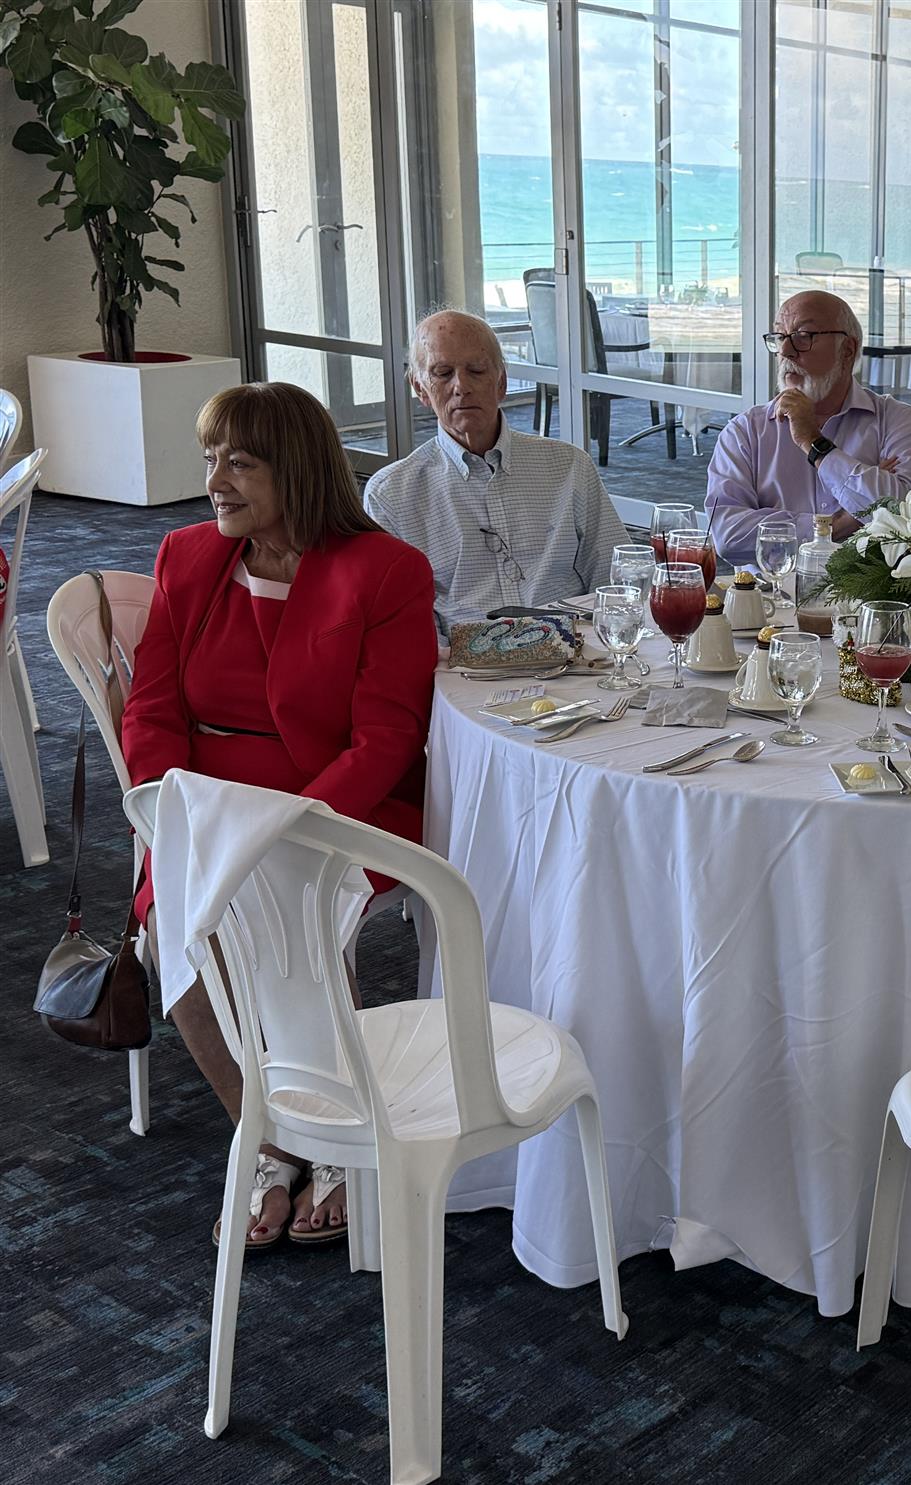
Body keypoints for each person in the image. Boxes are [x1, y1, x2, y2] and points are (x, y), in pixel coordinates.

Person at [123, 382, 438, 1249]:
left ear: (294, 470)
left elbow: (386, 737)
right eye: (210, 459)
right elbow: (151, 709)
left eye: (240, 463)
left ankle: (336, 1125)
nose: (214, 481)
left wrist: (292, 829)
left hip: (336, 804)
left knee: (296, 907)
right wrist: (165, 807)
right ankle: (266, 1133)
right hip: (201, 803)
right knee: (178, 931)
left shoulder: (385, 571)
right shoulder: (188, 556)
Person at [365, 310, 624, 630]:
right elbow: (401, 623)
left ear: (501, 382)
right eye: (443, 373)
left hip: (576, 647)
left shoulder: (569, 467)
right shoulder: (391, 495)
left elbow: (615, 579)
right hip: (464, 657)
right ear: (421, 390)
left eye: (476, 370)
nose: (461, 386)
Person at [704, 290, 911, 565]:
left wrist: (815, 443)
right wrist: (837, 524)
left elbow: (909, 513)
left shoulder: (897, 420)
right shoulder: (745, 432)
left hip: (869, 591)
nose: (785, 351)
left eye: (803, 336)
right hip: (772, 591)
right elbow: (728, 536)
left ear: (847, 350)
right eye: (780, 337)